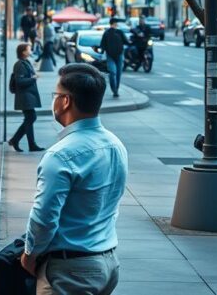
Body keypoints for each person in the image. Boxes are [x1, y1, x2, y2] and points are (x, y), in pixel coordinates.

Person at [19, 63, 127, 295]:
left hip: (71, 271)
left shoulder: (60, 155)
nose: (54, 101)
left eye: (55, 95)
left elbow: (44, 217)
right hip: (108, 262)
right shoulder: (115, 145)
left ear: (66, 101)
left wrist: (30, 255)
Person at [9, 43, 44, 152]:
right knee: (31, 117)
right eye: (29, 49)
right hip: (25, 96)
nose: (30, 50)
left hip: (28, 95)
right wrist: (33, 78)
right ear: (23, 52)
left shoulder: (26, 62)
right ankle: (19, 141)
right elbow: (20, 81)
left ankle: (22, 142)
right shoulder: (19, 64)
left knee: (30, 118)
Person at [99, 18, 127, 97]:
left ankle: (116, 90)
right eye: (115, 23)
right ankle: (114, 89)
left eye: (116, 24)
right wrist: (101, 52)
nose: (116, 25)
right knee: (113, 72)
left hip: (119, 55)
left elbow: (126, 41)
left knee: (118, 73)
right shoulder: (107, 33)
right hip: (110, 56)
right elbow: (103, 44)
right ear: (112, 24)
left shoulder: (119, 32)